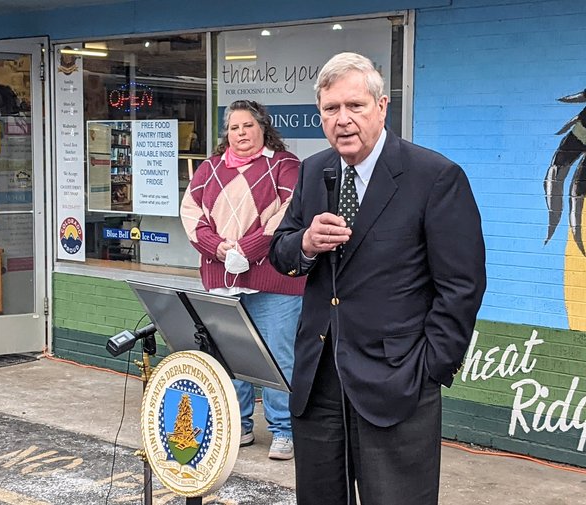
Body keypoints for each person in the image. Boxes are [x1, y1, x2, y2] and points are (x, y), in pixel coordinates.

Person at [269, 52, 487, 504]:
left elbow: (462, 285)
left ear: (382, 106)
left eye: (355, 106)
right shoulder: (313, 171)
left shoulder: (435, 177)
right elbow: (281, 251)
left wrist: (430, 369)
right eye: (331, 109)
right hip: (319, 382)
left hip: (398, 383)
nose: (343, 120)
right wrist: (307, 243)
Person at [180, 99, 304, 460]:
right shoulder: (209, 168)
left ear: (263, 128)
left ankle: (284, 431)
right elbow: (191, 214)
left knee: (279, 357)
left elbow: (288, 214)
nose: (241, 133)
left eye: (248, 126)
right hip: (223, 280)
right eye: (234, 128)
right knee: (230, 355)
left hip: (274, 281)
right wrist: (217, 248)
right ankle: (240, 424)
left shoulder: (285, 165)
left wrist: (247, 249)